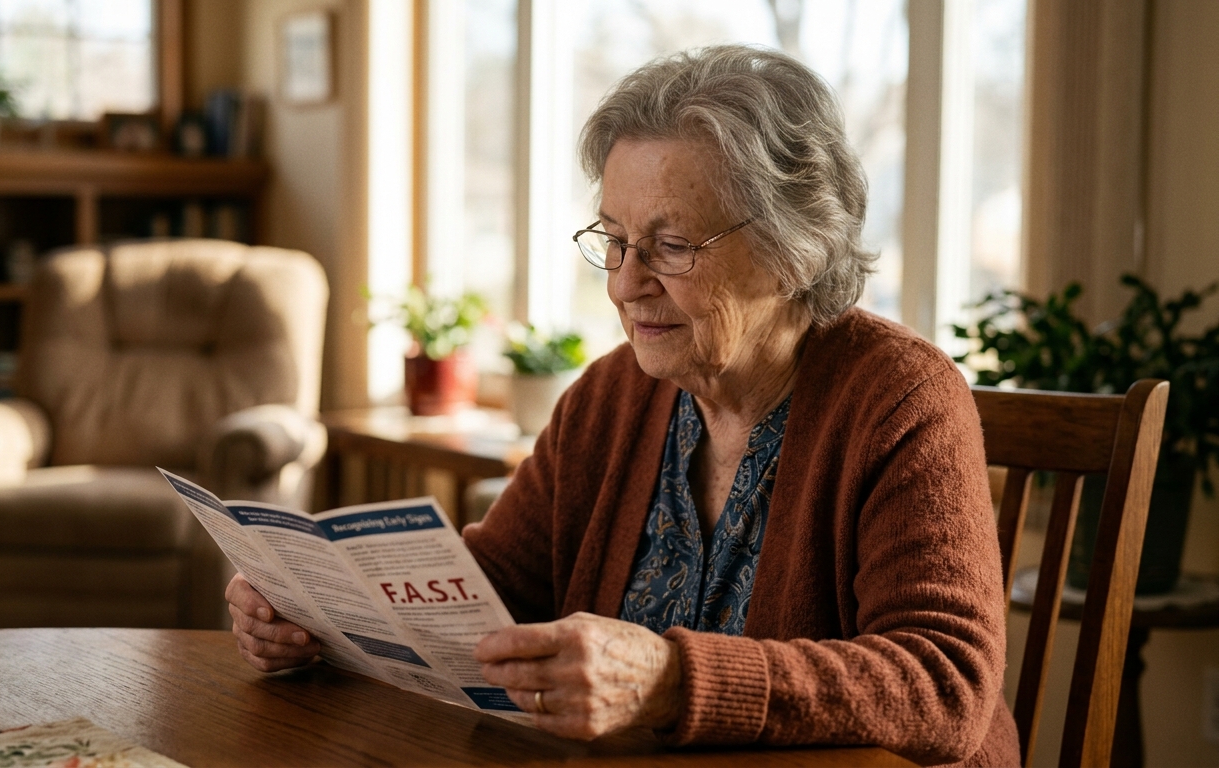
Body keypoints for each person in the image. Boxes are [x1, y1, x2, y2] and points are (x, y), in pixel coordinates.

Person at [226, 44, 1018, 767]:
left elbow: (943, 683)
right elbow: (498, 587)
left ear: (794, 250)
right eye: (613, 239)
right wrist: (319, 614)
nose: (624, 282)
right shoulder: (612, 394)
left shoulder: (901, 398)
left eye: (672, 247)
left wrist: (673, 681)